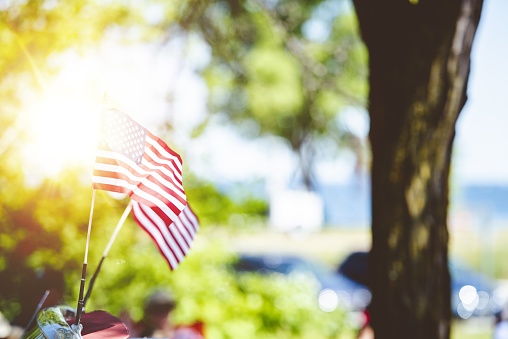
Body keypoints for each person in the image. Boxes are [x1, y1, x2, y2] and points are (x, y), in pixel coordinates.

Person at [134, 290, 204, 339]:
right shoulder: (139, 336)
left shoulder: (186, 334)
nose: (161, 314)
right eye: (156, 310)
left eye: (165, 308)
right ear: (148, 313)